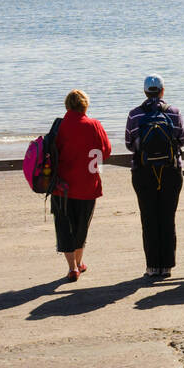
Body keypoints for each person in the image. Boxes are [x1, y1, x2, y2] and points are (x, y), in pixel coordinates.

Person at [125, 74, 184, 279]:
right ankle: (167, 266)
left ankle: (152, 267)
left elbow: (128, 143)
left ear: (145, 92)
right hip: (171, 170)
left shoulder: (134, 115)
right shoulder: (174, 113)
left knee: (149, 218)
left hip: (143, 171)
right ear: (162, 90)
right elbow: (181, 140)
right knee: (168, 217)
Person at [51, 89, 112, 281]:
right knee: (81, 227)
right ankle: (79, 263)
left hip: (62, 187)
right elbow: (106, 151)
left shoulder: (59, 127)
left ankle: (73, 267)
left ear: (67, 105)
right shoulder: (94, 125)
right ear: (85, 105)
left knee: (64, 227)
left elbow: (51, 153)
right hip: (88, 185)